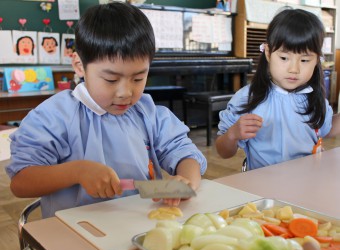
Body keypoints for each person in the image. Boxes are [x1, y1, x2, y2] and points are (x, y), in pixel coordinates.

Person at [5, 2, 207, 218]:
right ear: (80, 66)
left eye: (138, 78)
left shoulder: (147, 112)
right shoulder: (54, 116)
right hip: (77, 232)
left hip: (142, 222)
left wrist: (186, 181)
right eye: (111, 79)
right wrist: (77, 171)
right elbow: (21, 182)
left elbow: (184, 153)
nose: (125, 92)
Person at [216, 8, 334, 170]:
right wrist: (232, 134)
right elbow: (224, 152)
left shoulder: (314, 97)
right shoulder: (248, 98)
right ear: (268, 53)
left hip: (307, 182)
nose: (294, 69)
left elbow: (326, 128)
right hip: (262, 188)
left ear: (317, 61)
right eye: (284, 58)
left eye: (305, 60)